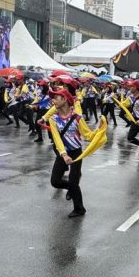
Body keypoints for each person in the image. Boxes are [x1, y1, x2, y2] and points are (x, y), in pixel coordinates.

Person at [46, 87, 107, 219]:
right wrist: (64, 154)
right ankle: (72, 188)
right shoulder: (53, 119)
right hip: (63, 153)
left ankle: (79, 209)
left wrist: (99, 129)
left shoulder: (77, 118)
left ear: (65, 99)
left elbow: (88, 136)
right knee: (55, 182)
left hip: (76, 153)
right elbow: (56, 138)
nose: (53, 100)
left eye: (56, 97)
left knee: (74, 182)